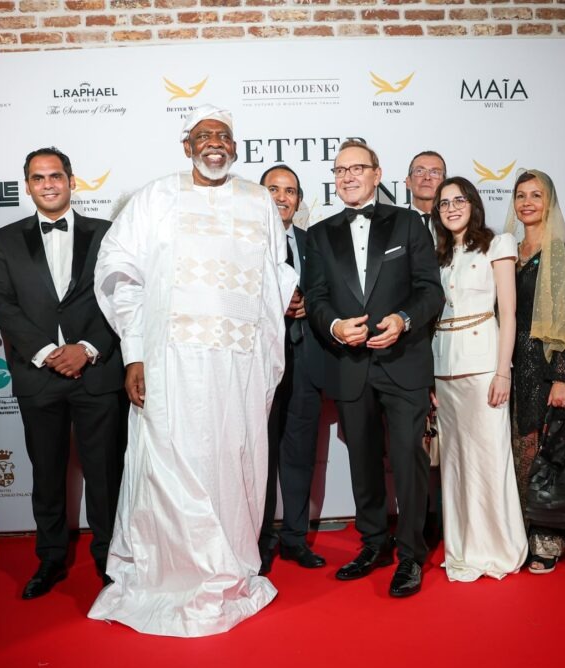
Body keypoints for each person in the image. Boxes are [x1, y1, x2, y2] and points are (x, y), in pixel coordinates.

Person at [88, 105, 298, 636]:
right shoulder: (155, 197)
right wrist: (135, 351)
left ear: (235, 146)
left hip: (238, 371)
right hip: (170, 365)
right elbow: (119, 274)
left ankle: (230, 563)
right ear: (187, 146)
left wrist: (266, 354)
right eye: (204, 135)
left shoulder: (257, 200)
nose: (214, 143)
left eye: (223, 135)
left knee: (231, 463)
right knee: (169, 462)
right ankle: (168, 573)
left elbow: (274, 279)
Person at [0, 147, 127, 599]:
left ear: (71, 181)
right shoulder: (7, 239)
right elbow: (2, 304)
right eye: (38, 177)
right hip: (39, 376)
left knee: (105, 473)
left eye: (55, 176)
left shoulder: (106, 233)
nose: (48, 184)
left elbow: (121, 297)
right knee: (46, 472)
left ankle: (111, 557)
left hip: (96, 372)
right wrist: (48, 352)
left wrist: (87, 349)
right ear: (27, 186)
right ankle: (50, 558)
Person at [304, 140, 442, 598]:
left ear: (377, 174)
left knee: (407, 459)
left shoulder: (408, 223)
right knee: (363, 462)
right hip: (350, 365)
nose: (347, 176)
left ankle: (411, 554)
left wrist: (403, 320)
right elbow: (316, 298)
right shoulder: (320, 234)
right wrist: (335, 326)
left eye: (356, 168)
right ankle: (374, 543)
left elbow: (430, 290)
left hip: (404, 363)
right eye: (340, 170)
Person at [431, 176, 527, 582]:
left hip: (485, 366)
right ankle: (464, 547)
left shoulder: (498, 244)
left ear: (473, 203)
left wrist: (504, 371)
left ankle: (500, 546)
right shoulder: (437, 255)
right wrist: (430, 380)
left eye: (459, 200)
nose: (451, 208)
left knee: (490, 458)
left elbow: (509, 313)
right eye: (444, 203)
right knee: (455, 466)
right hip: (444, 368)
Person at [504, 169, 565, 574]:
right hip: (510, 365)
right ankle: (521, 530)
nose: (527, 202)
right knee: (518, 451)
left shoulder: (560, 253)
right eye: (521, 195)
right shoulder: (507, 250)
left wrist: (563, 377)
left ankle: (549, 536)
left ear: (549, 202)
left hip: (545, 367)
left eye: (536, 195)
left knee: (545, 451)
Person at [258, 164, 326, 573]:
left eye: (290, 191)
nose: (282, 197)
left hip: (305, 362)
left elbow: (329, 292)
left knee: (300, 455)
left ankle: (295, 539)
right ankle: (259, 539)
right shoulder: (244, 242)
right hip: (260, 364)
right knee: (260, 457)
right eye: (273, 189)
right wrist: (275, 303)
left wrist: (308, 306)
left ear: (299, 200)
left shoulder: (311, 241)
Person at [405, 151, 446, 245]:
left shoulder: (455, 224)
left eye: (435, 172)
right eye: (419, 171)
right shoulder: (395, 225)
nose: (427, 177)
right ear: (408, 182)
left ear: (445, 183)